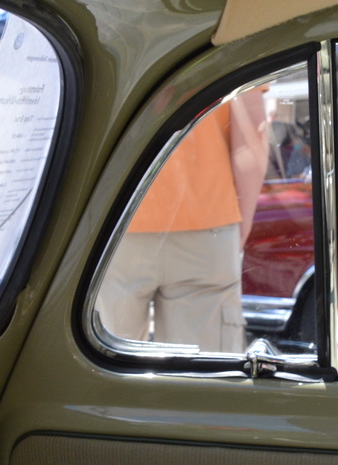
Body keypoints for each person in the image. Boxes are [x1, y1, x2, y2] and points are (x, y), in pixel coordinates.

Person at [96, 87, 267, 352]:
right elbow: (251, 136)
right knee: (204, 377)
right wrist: (239, 229)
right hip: (209, 221)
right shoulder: (236, 42)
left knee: (106, 366)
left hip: (118, 223)